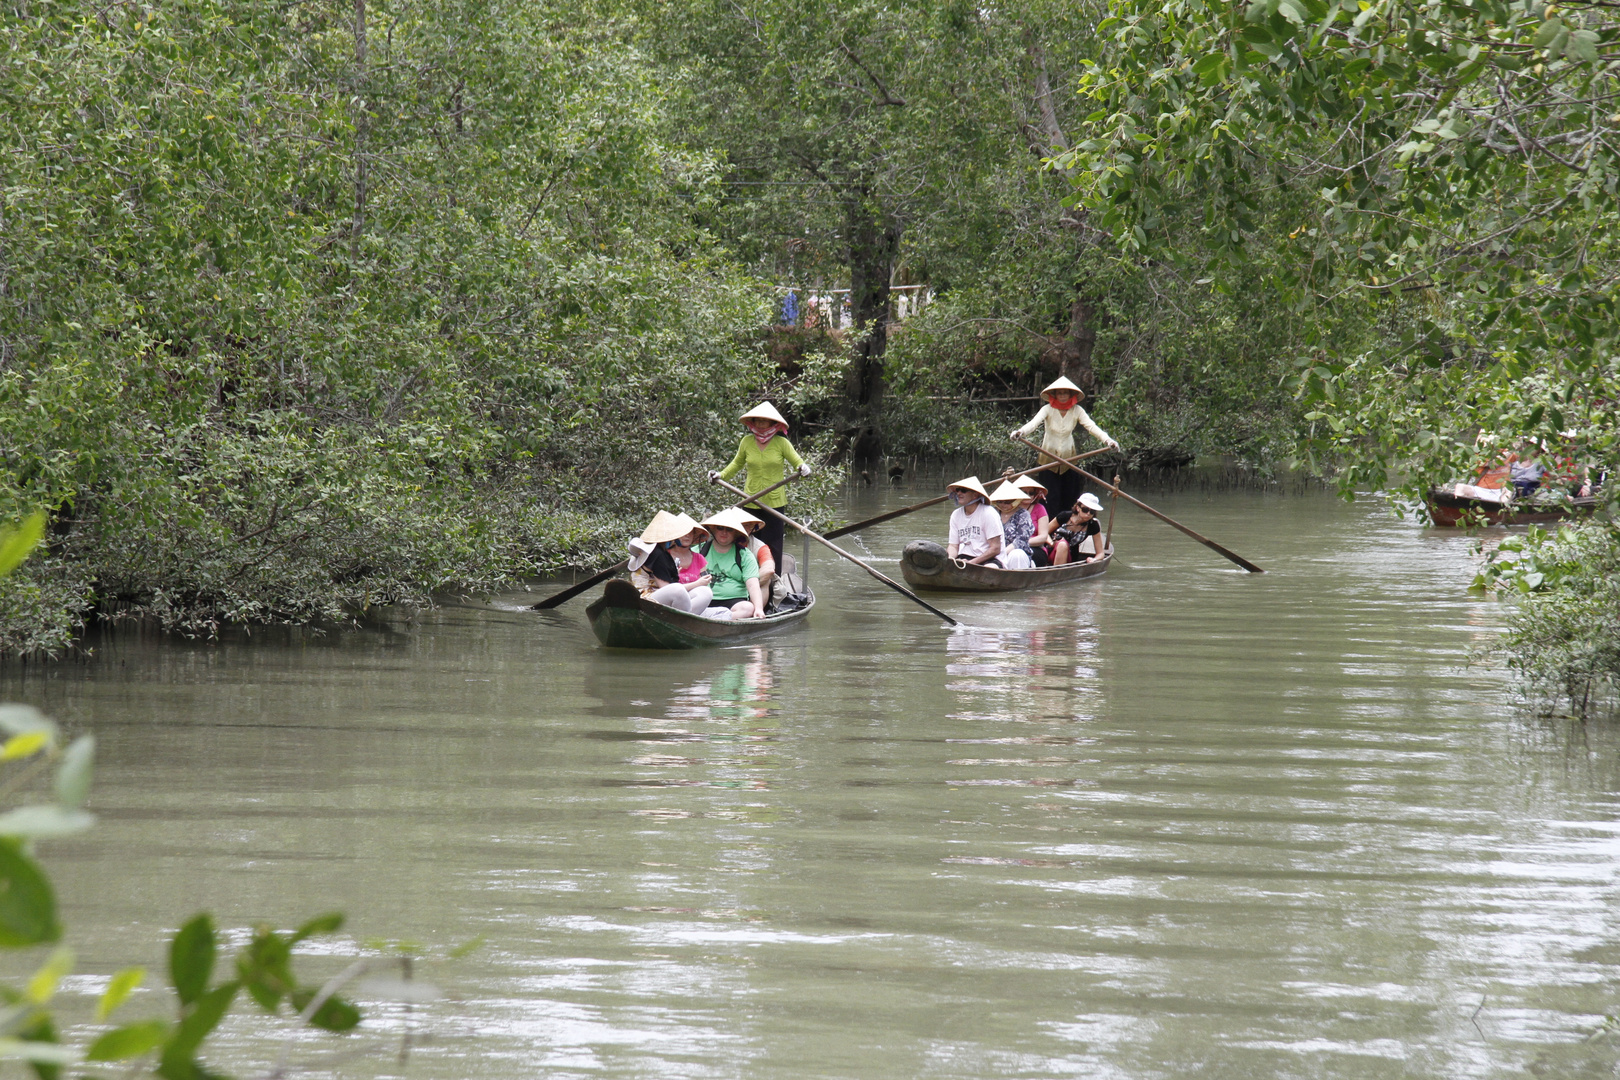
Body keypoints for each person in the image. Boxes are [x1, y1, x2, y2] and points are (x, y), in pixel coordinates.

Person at [713, 401, 809, 576]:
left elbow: (797, 461)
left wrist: (802, 467)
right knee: (747, 543)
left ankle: (774, 584)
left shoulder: (781, 443)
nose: (760, 424)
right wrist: (721, 475)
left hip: (774, 503)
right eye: (757, 420)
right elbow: (736, 464)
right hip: (750, 500)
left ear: (773, 424)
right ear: (753, 422)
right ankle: (748, 580)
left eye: (765, 421)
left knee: (773, 546)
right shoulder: (747, 442)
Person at [1011, 376, 1119, 517]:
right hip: (1048, 461)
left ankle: (1066, 528)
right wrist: (1020, 432)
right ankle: (1049, 530)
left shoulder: (1077, 410)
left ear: (1070, 395)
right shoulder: (1047, 409)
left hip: (1069, 460)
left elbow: (1091, 427)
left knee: (1070, 497)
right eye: (1060, 393)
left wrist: (1108, 441)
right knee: (1050, 498)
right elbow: (1033, 423)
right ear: (1054, 395)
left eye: (1065, 393)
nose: (1062, 396)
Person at [627, 511, 714, 613]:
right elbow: (668, 588)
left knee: (705, 592)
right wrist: (697, 583)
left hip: (659, 597)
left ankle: (686, 619)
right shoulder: (656, 553)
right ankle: (684, 620)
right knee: (678, 590)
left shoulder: (662, 552)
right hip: (646, 598)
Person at [696, 508, 766, 619]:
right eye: (720, 528)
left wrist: (758, 608)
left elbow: (752, 584)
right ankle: (710, 617)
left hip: (734, 603)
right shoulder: (697, 551)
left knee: (748, 608)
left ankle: (714, 619)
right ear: (713, 530)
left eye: (729, 529)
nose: (724, 533)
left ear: (736, 533)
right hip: (703, 599)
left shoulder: (745, 555)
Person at [945, 476, 1003, 567]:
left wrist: (971, 563)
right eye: (957, 490)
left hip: (991, 559)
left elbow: (995, 548)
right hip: (965, 557)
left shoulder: (988, 513)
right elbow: (953, 546)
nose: (959, 493)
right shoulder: (955, 515)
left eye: (963, 490)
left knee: (990, 568)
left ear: (975, 495)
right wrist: (949, 560)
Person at [989, 481, 1036, 569]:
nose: (1003, 505)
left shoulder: (1023, 514)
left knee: (1016, 555)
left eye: (1007, 502)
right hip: (994, 553)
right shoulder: (993, 513)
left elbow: (1020, 541)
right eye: (1000, 501)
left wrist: (1002, 553)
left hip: (1015, 553)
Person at [1050, 493, 1105, 566]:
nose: (1088, 514)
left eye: (1092, 512)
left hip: (1071, 555)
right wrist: (1051, 543)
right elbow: (1044, 533)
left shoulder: (1093, 525)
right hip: (1051, 550)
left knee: (1063, 546)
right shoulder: (1064, 516)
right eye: (1085, 510)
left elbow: (1100, 553)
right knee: (1062, 545)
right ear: (1078, 508)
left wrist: (1094, 559)